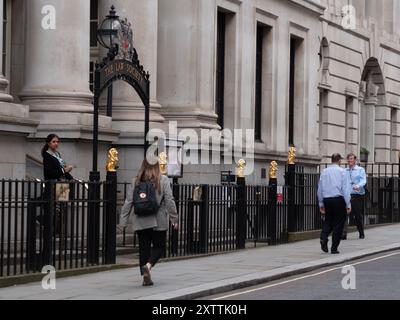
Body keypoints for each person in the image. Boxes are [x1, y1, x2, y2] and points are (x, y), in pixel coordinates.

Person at [119, 159, 179, 286]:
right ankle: (148, 265)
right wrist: (174, 218)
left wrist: (122, 222)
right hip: (158, 220)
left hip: (141, 220)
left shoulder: (135, 181)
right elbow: (169, 200)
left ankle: (145, 277)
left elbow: (128, 202)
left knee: (144, 249)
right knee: (159, 247)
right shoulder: (162, 180)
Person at [317, 153, 352, 254]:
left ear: (331, 160)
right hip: (338, 199)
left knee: (328, 220)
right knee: (338, 223)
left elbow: (320, 188)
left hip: (327, 199)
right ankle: (334, 248)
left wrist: (321, 203)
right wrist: (348, 204)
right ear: (339, 161)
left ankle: (323, 237)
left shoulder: (324, 171)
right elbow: (345, 189)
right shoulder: (343, 171)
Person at [341, 153, 366, 240]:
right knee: (344, 214)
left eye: (351, 159)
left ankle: (361, 232)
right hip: (347, 195)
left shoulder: (360, 169)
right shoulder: (344, 171)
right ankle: (343, 234)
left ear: (355, 160)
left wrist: (358, 185)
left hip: (357, 195)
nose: (350, 160)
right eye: (348, 159)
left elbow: (363, 180)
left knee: (358, 215)